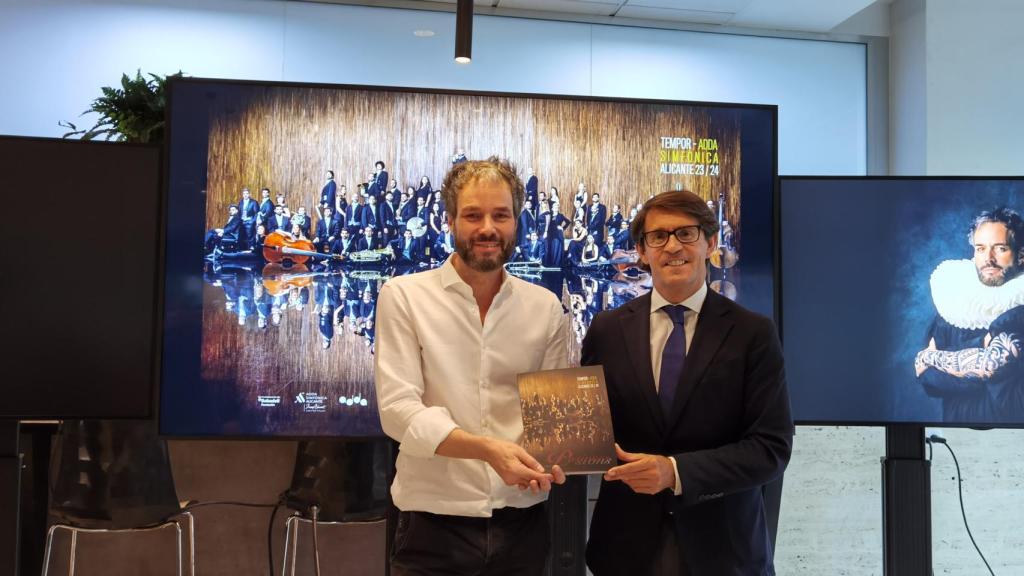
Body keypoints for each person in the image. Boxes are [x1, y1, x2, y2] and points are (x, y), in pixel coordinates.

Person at [582, 190, 792, 576]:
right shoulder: (606, 330)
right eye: (658, 236)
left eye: (686, 233)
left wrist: (675, 472)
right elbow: (589, 432)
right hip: (624, 548)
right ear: (642, 252)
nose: (672, 246)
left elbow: (770, 449)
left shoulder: (753, 333)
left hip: (723, 550)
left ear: (710, 243)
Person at [375, 157, 568, 576]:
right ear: (450, 221)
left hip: (524, 522)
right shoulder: (403, 297)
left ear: (517, 221)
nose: (487, 229)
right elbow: (397, 412)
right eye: (472, 215)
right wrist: (489, 450)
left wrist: (553, 460)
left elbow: (553, 425)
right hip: (432, 523)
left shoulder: (546, 308)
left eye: (500, 215)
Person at [915, 207, 1024, 423]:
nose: (988, 259)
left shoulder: (1018, 308)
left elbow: (990, 367)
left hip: (1011, 434)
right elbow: (927, 379)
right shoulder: (954, 303)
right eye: (981, 249)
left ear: (1021, 255)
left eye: (1000, 248)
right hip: (956, 430)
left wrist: (929, 357)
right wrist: (981, 349)